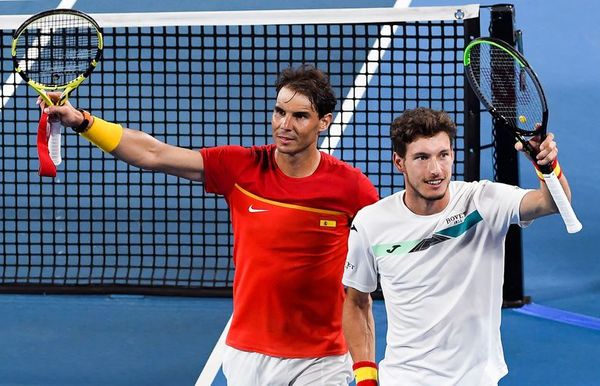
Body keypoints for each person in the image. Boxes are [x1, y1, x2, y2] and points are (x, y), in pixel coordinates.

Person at [41, 64, 379, 385]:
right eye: (279, 111)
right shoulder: (239, 168)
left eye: (300, 116)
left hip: (322, 358)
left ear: (324, 122)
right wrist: (82, 122)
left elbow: (373, 274)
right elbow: (153, 154)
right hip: (249, 352)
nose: (284, 124)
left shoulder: (351, 188)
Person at [341, 107, 573, 386]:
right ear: (399, 162)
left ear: (452, 154)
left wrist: (546, 167)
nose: (435, 170)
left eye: (443, 155)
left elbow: (552, 203)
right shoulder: (371, 223)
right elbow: (356, 302)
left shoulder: (484, 202)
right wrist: (366, 377)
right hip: (404, 379)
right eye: (422, 158)